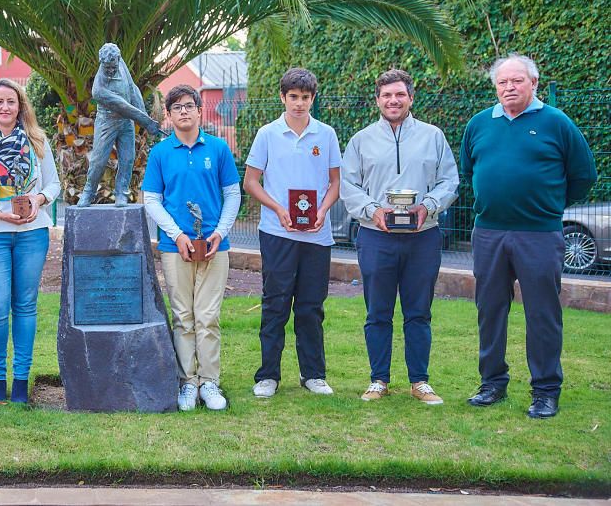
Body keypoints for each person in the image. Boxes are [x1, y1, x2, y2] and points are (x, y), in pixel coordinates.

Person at [461, 54, 596, 419]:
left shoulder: (557, 123)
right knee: (490, 311)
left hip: (539, 234)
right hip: (489, 233)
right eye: (503, 82)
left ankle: (546, 391)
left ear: (533, 83)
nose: (509, 87)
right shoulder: (478, 124)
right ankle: (492, 383)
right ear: (495, 87)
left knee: (542, 313)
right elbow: (469, 170)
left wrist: (548, 205)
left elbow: (584, 175)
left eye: (517, 81)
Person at [341, 68, 458, 405]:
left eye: (400, 95)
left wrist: (429, 206)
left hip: (423, 236)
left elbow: (448, 180)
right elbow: (349, 185)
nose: (393, 100)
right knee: (378, 312)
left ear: (410, 98)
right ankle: (378, 380)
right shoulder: (361, 140)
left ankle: (420, 381)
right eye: (387, 95)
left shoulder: (433, 136)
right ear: (377, 100)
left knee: (418, 312)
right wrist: (373, 211)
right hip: (375, 236)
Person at [0, 79, 61, 404]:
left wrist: (39, 200)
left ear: (20, 107)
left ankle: (20, 382)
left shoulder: (37, 142)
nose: (5, 107)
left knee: (26, 306)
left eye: (11, 101)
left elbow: (54, 184)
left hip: (32, 234)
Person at [243, 68, 341, 399]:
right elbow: (251, 182)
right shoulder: (267, 134)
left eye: (306, 97)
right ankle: (268, 375)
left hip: (317, 236)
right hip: (277, 233)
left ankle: (313, 374)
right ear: (283, 97)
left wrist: (323, 210)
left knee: (312, 307)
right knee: (275, 304)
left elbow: (335, 183)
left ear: (313, 99)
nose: (299, 103)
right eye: (294, 97)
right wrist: (278, 209)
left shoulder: (326, 134)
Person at [142, 84, 241, 411]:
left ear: (200, 110)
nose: (184, 111)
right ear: (168, 116)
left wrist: (220, 231)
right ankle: (187, 383)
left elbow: (233, 194)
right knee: (183, 316)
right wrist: (178, 235)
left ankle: (209, 383)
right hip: (174, 247)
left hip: (215, 246)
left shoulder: (218, 148)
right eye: (177, 108)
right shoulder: (160, 153)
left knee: (208, 316)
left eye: (189, 106)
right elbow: (152, 201)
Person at [77, 42, 162, 207]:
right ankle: (88, 192)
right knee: (98, 161)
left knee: (128, 159)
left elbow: (132, 89)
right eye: (106, 67)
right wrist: (146, 121)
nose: (109, 70)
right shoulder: (98, 88)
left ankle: (122, 193)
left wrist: (145, 116)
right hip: (106, 122)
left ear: (118, 59)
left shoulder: (121, 64)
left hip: (125, 122)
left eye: (112, 66)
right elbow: (122, 105)